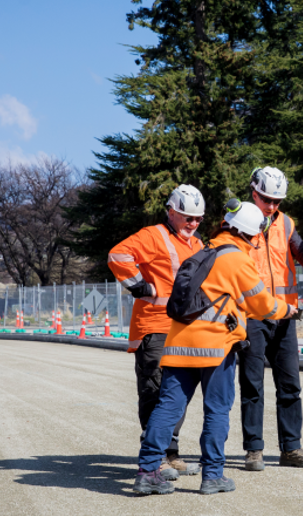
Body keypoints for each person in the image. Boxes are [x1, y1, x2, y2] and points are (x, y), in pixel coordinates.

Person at [133, 202, 300, 495]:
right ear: (252, 234)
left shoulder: (202, 252)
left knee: (168, 407)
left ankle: (147, 471)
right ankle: (212, 475)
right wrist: (289, 310)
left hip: (177, 345)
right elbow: (261, 304)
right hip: (215, 348)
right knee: (217, 411)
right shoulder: (236, 259)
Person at [235, 166, 303, 471]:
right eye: (267, 199)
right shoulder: (237, 224)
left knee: (290, 386)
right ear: (253, 193)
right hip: (252, 316)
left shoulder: (285, 223)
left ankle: (291, 449)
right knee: (252, 385)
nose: (272, 206)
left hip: (284, 316)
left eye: (277, 201)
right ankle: (254, 450)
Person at [108, 184, 205, 478]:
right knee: (154, 392)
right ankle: (154, 457)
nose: (193, 223)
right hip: (154, 327)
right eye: (187, 217)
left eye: (198, 219)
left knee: (178, 394)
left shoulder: (197, 245)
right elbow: (118, 255)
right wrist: (141, 286)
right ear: (171, 212)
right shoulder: (153, 235)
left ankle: (170, 452)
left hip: (184, 329)